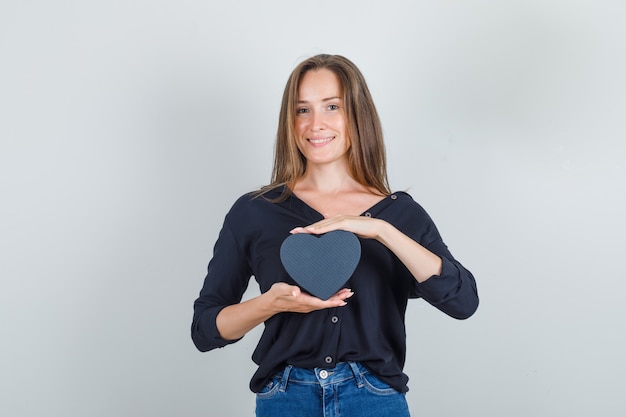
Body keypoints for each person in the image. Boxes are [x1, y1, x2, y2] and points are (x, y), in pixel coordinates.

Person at [191, 54, 479, 417]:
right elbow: (205, 329)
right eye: (302, 110)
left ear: (357, 115)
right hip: (285, 398)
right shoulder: (254, 211)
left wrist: (381, 230)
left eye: (332, 106)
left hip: (374, 398)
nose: (316, 124)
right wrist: (272, 304)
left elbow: (463, 302)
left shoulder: (399, 215)